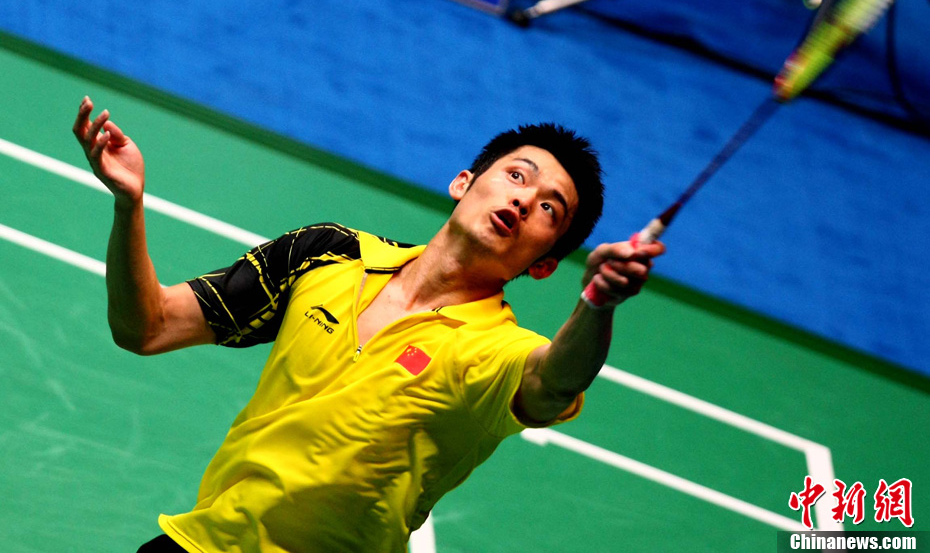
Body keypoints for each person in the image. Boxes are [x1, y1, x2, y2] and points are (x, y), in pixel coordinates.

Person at [72, 96, 665, 553]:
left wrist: (597, 303)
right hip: (204, 543)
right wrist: (130, 204)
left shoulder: (495, 350)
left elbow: (553, 381)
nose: (524, 200)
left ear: (544, 265)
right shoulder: (327, 254)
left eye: (549, 209)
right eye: (517, 176)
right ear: (464, 183)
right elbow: (148, 326)